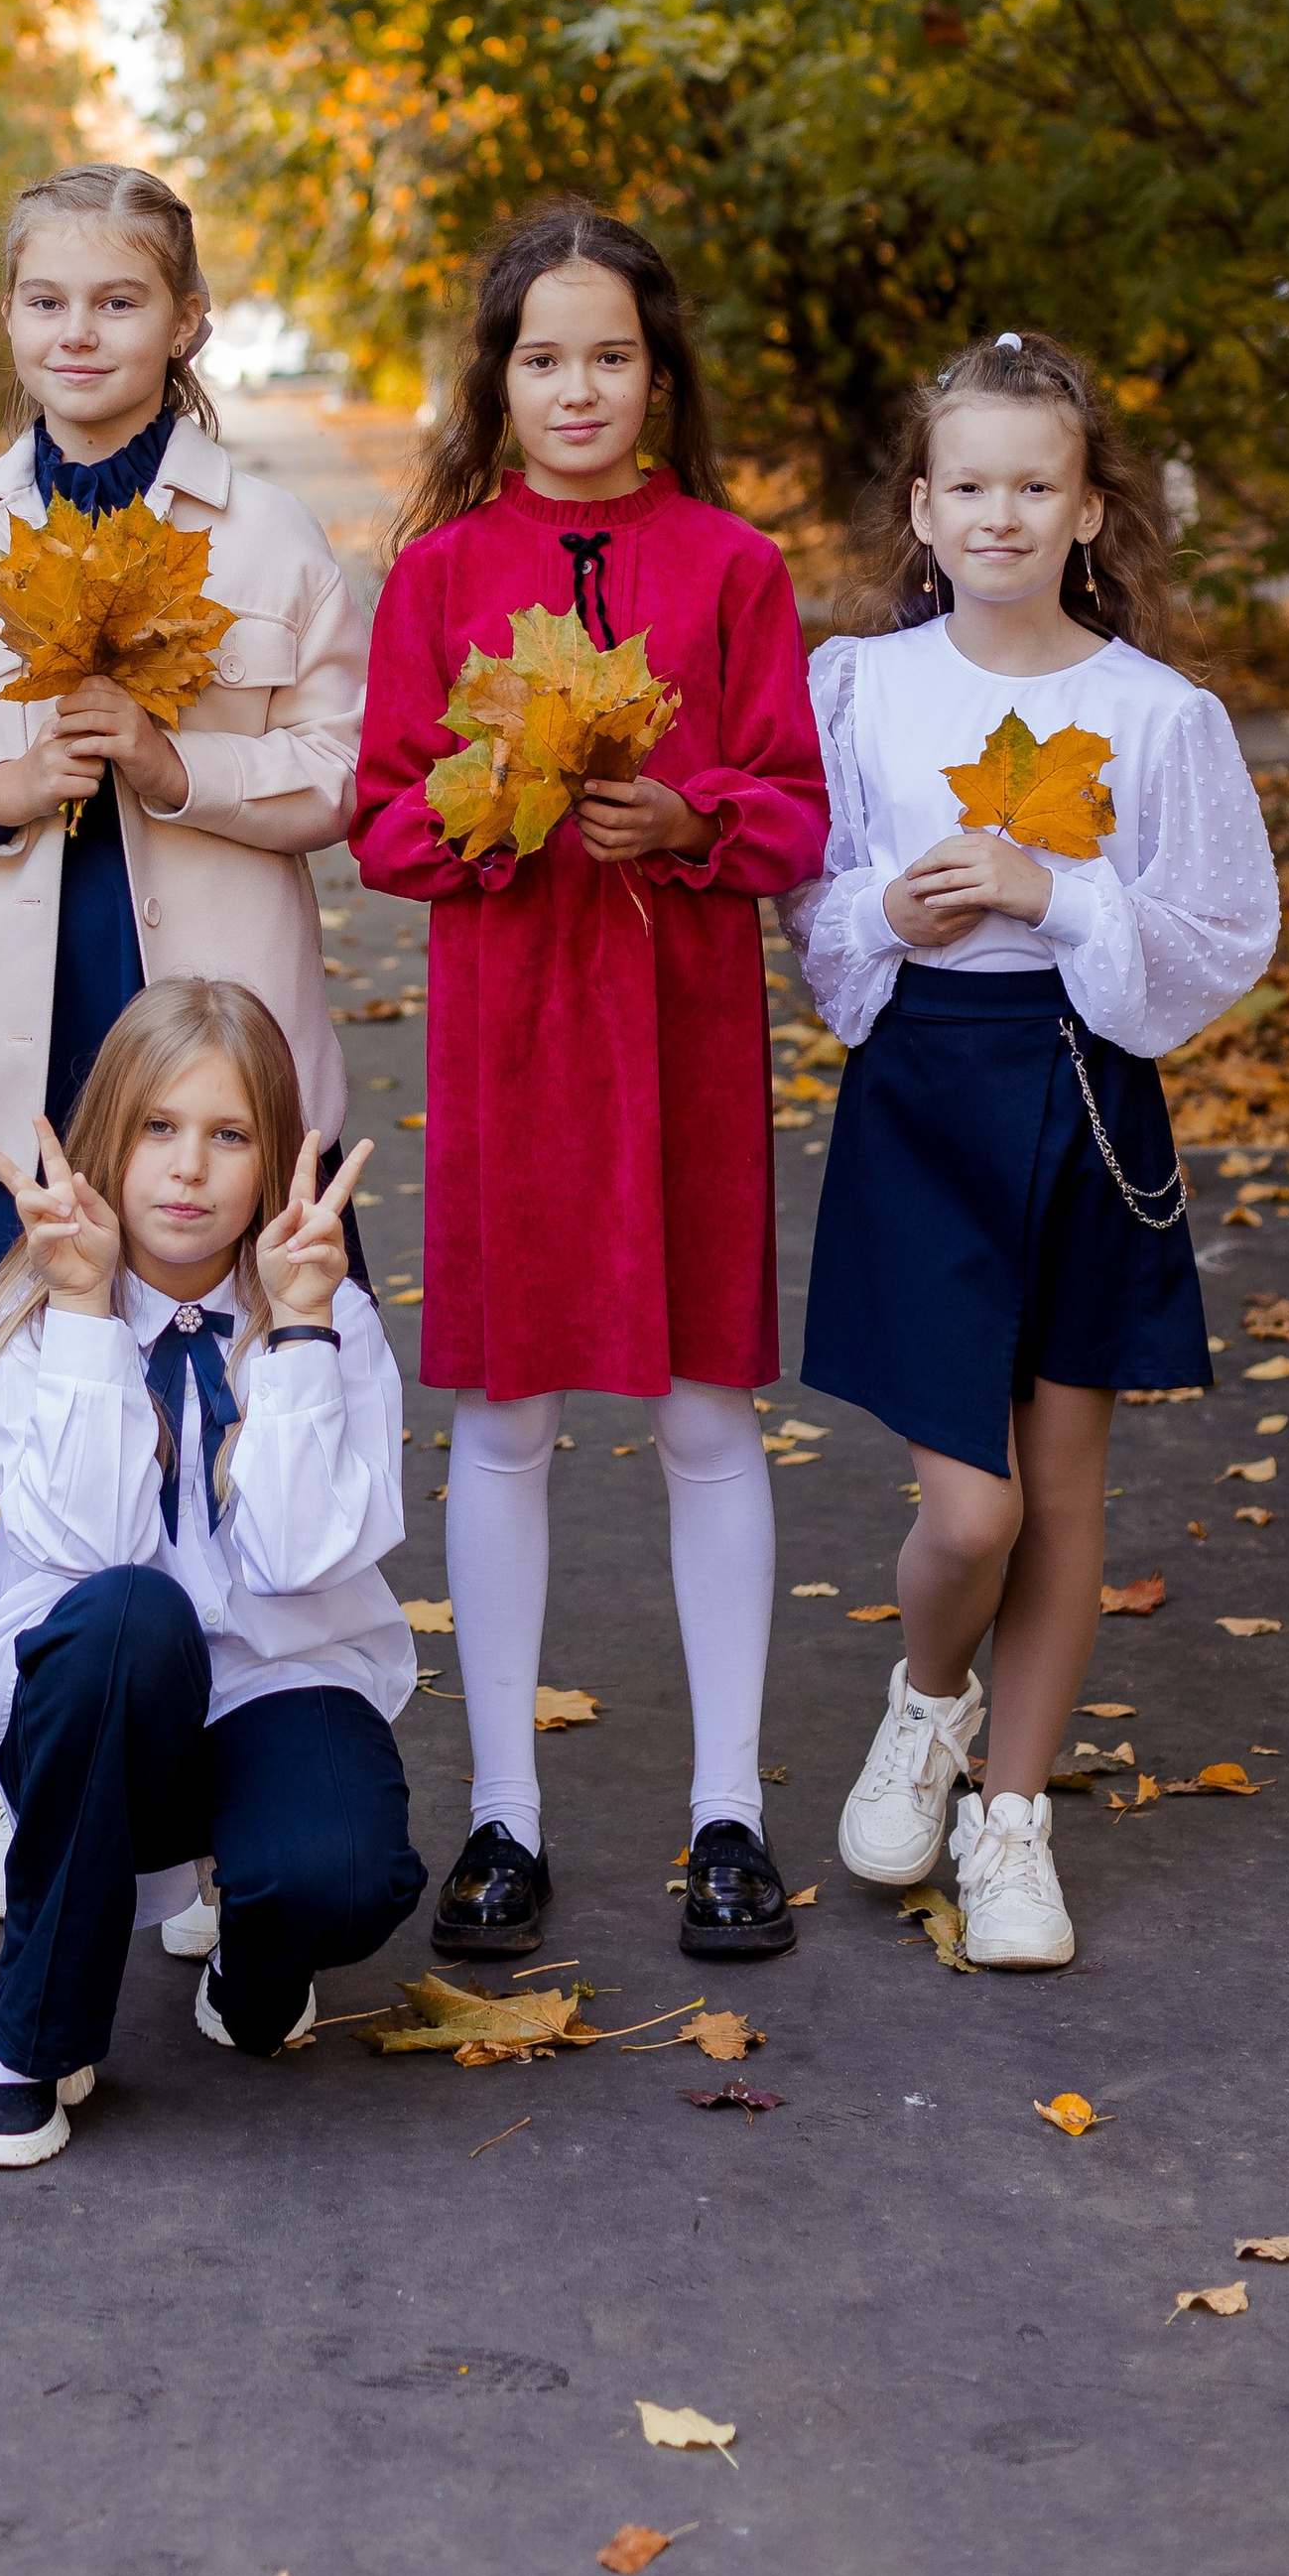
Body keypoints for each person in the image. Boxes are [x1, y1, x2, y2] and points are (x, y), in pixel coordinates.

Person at [0, 162, 366, 1937]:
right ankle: (51, 1775)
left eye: (120, 301)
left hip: (220, 1068)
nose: (80, 333)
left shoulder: (267, 535)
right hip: (35, 1061)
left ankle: (234, 1790)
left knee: (236, 1421)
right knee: (47, 1430)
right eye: (47, 302)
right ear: (8, 319)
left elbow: (345, 768)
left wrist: (179, 771)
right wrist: (1, 788)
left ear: (186, 325)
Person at [352, 199, 830, 1966]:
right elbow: (383, 817)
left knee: (708, 1411)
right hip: (516, 1033)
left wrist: (698, 817)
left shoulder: (733, 567)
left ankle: (729, 1811)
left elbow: (793, 802)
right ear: (498, 378)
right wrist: (497, 808)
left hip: (683, 1029)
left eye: (609, 357)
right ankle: (504, 1814)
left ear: (657, 373)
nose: (577, 389)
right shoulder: (441, 573)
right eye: (543, 358)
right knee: (506, 1415)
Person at [785, 328, 1277, 1967]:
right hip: (924, 1091)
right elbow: (817, 907)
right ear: (921, 509)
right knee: (972, 1511)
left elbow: (1220, 934)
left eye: (1037, 487)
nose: (1002, 515)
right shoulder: (860, 688)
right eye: (971, 485)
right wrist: (884, 906)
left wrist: (1048, 893)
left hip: (1078, 1094)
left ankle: (1010, 1820)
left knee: (1062, 1492)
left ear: (1086, 514)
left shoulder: (1155, 714)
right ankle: (927, 1694)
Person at [0, 978, 422, 2169]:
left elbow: (300, 1559)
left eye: (228, 1135)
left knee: (346, 1875)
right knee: (129, 1614)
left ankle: (254, 1955)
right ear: (108, 1136)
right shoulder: (32, 1320)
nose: (187, 1170)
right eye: (158, 1128)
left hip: (274, 1679)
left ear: (274, 1160)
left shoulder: (337, 1321)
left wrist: (300, 1330)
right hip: (97, 1699)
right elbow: (97, 1553)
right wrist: (86, 1303)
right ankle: (33, 2036)